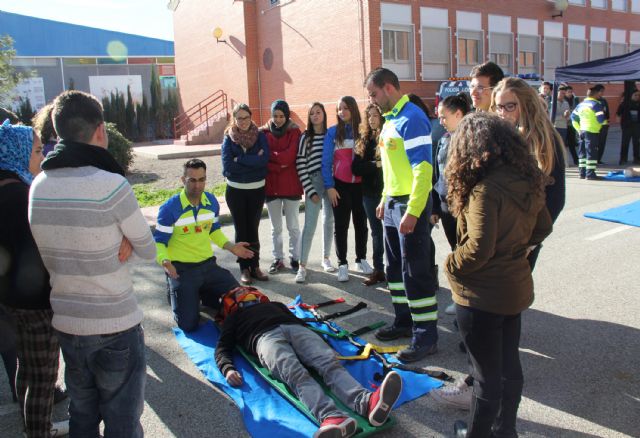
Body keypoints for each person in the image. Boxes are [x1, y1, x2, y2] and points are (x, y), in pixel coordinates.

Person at [432, 77, 567, 411]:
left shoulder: (542, 140)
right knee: (498, 334)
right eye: (499, 106)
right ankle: (486, 393)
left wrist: (528, 243)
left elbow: (554, 200)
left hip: (515, 244)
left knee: (497, 324)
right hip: (502, 240)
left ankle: (483, 393)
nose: (503, 112)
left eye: (510, 105)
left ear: (528, 105)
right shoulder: (504, 137)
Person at [28, 90, 157, 437]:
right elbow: (148, 250)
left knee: (81, 415)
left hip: (68, 323)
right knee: (122, 421)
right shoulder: (111, 186)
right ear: (101, 130)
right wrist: (123, 237)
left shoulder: (38, 185)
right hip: (115, 324)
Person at [443, 112, 553, 438]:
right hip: (513, 289)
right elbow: (543, 227)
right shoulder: (525, 180)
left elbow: (478, 249)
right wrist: (518, 247)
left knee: (486, 375)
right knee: (508, 367)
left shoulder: (485, 190)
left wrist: (451, 264)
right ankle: (505, 431)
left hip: (481, 296)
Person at [215, 287, 403, 438]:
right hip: (264, 337)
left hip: (296, 329)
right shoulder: (234, 318)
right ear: (233, 304)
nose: (244, 293)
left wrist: (325, 343)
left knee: (328, 363)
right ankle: (333, 417)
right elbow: (222, 347)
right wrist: (227, 368)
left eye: (245, 290)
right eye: (238, 293)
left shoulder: (276, 305)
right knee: (295, 374)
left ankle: (367, 403)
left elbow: (302, 322)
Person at [364, 67, 438, 362]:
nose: (371, 101)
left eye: (373, 94)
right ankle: (404, 321)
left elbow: (423, 170)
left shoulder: (413, 118)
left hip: (410, 205)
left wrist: (413, 211)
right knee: (394, 268)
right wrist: (384, 198)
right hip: (393, 204)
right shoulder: (390, 120)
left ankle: (426, 336)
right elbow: (393, 169)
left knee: (415, 272)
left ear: (389, 88)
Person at [0, 120, 68, 437]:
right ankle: (38, 431)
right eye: (38, 150)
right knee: (42, 376)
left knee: (25, 363)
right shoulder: (20, 196)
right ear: (17, 152)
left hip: (11, 298)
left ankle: (27, 419)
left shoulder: (7, 186)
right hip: (35, 302)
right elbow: (43, 251)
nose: (41, 157)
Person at [154, 158, 254, 332]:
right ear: (182, 180)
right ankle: (175, 288)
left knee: (240, 301)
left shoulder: (211, 202)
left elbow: (213, 230)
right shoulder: (169, 209)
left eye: (201, 180)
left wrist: (231, 246)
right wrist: (164, 261)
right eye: (192, 180)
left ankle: (199, 293)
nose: (197, 185)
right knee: (188, 324)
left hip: (208, 266)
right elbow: (159, 242)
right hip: (181, 269)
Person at [321, 96, 372, 282]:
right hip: (339, 186)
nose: (342, 112)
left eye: (346, 108)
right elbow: (325, 162)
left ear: (353, 109)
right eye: (339, 109)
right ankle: (343, 263)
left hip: (360, 186)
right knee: (341, 226)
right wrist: (329, 187)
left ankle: (361, 259)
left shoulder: (363, 131)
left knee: (361, 224)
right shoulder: (332, 133)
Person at [431, 94, 472, 316]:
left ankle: (471, 300)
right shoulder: (445, 138)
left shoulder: (473, 139)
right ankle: (460, 298)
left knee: (468, 254)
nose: (441, 121)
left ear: (458, 114)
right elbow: (438, 175)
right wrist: (436, 206)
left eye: (443, 116)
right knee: (455, 252)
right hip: (446, 204)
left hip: (466, 207)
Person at [221, 103, 270, 284]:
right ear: (234, 119)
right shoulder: (228, 138)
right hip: (235, 191)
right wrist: (253, 160)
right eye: (239, 118)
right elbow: (228, 166)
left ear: (251, 117)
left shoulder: (260, 136)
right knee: (241, 229)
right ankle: (244, 268)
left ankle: (255, 266)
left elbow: (264, 160)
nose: (243, 121)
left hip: (257, 189)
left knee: (253, 229)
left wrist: (240, 159)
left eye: (246, 117)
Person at [261, 100, 303, 275]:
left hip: (291, 186)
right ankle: (278, 258)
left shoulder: (295, 131)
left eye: (281, 116)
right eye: (275, 116)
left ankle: (296, 258)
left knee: (293, 226)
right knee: (275, 228)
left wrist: (274, 160)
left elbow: (290, 156)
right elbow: (264, 159)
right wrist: (280, 165)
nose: (278, 119)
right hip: (271, 187)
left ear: (287, 116)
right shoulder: (263, 133)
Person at [295, 103, 336, 283]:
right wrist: (310, 189)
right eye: (312, 113)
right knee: (310, 225)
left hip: (330, 181)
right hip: (313, 180)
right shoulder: (306, 137)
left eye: (318, 112)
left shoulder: (330, 135)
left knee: (329, 221)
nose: (315, 116)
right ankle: (302, 266)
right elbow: (300, 163)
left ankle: (326, 259)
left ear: (324, 114)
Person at [352, 104, 385, 286]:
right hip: (369, 194)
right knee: (376, 232)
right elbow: (356, 168)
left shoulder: (387, 136)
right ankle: (378, 270)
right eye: (369, 116)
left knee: (391, 232)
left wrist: (372, 166)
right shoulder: (363, 140)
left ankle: (396, 269)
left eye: (375, 115)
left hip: (387, 193)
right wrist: (375, 165)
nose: (372, 119)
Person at [571, 85, 606, 180]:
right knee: (591, 152)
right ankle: (590, 174)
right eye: (600, 93)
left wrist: (578, 129)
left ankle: (582, 173)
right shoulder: (596, 105)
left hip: (582, 131)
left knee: (582, 152)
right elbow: (601, 120)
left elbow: (573, 118)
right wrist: (605, 122)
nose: (601, 95)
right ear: (595, 94)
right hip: (592, 131)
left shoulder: (580, 105)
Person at [616, 88, 640, 165]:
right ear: (630, 95)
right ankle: (623, 159)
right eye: (635, 95)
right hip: (627, 127)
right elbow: (618, 115)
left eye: (638, 95)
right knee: (625, 143)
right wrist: (621, 125)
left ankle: (636, 159)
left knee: (636, 143)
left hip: (637, 127)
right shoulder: (624, 104)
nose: (637, 96)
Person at [564, 85, 580, 165]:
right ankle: (565, 162)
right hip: (564, 124)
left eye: (571, 92)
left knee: (572, 144)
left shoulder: (575, 99)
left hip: (572, 124)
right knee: (563, 144)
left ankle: (576, 160)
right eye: (568, 92)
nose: (570, 93)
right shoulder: (562, 100)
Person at [594, 85, 610, 164]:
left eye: (603, 91)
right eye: (601, 91)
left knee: (602, 143)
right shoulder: (592, 101)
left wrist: (608, 121)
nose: (602, 93)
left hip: (604, 125)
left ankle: (598, 159)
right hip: (594, 125)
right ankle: (593, 159)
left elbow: (607, 112)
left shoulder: (604, 100)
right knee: (594, 143)